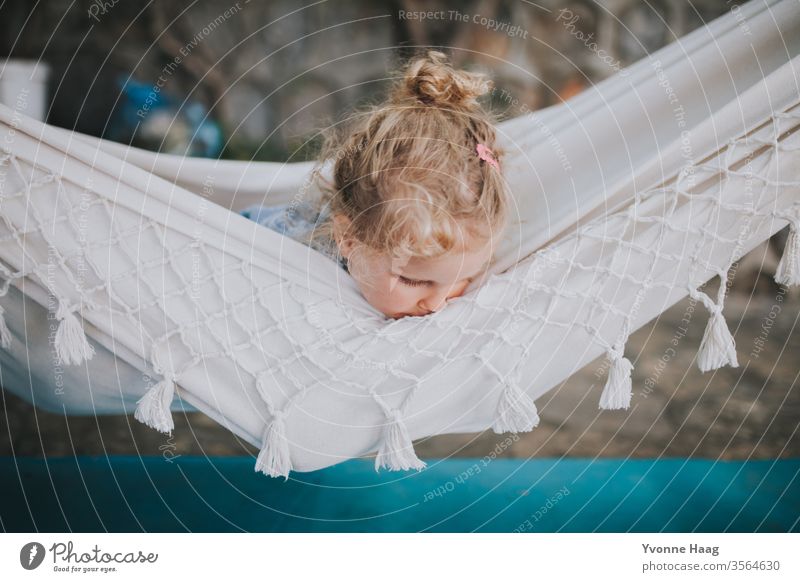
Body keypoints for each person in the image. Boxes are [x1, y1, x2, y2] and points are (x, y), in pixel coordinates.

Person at [240, 50, 510, 320]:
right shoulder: (287, 252)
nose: (437, 305)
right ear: (348, 239)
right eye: (413, 281)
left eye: (466, 277)